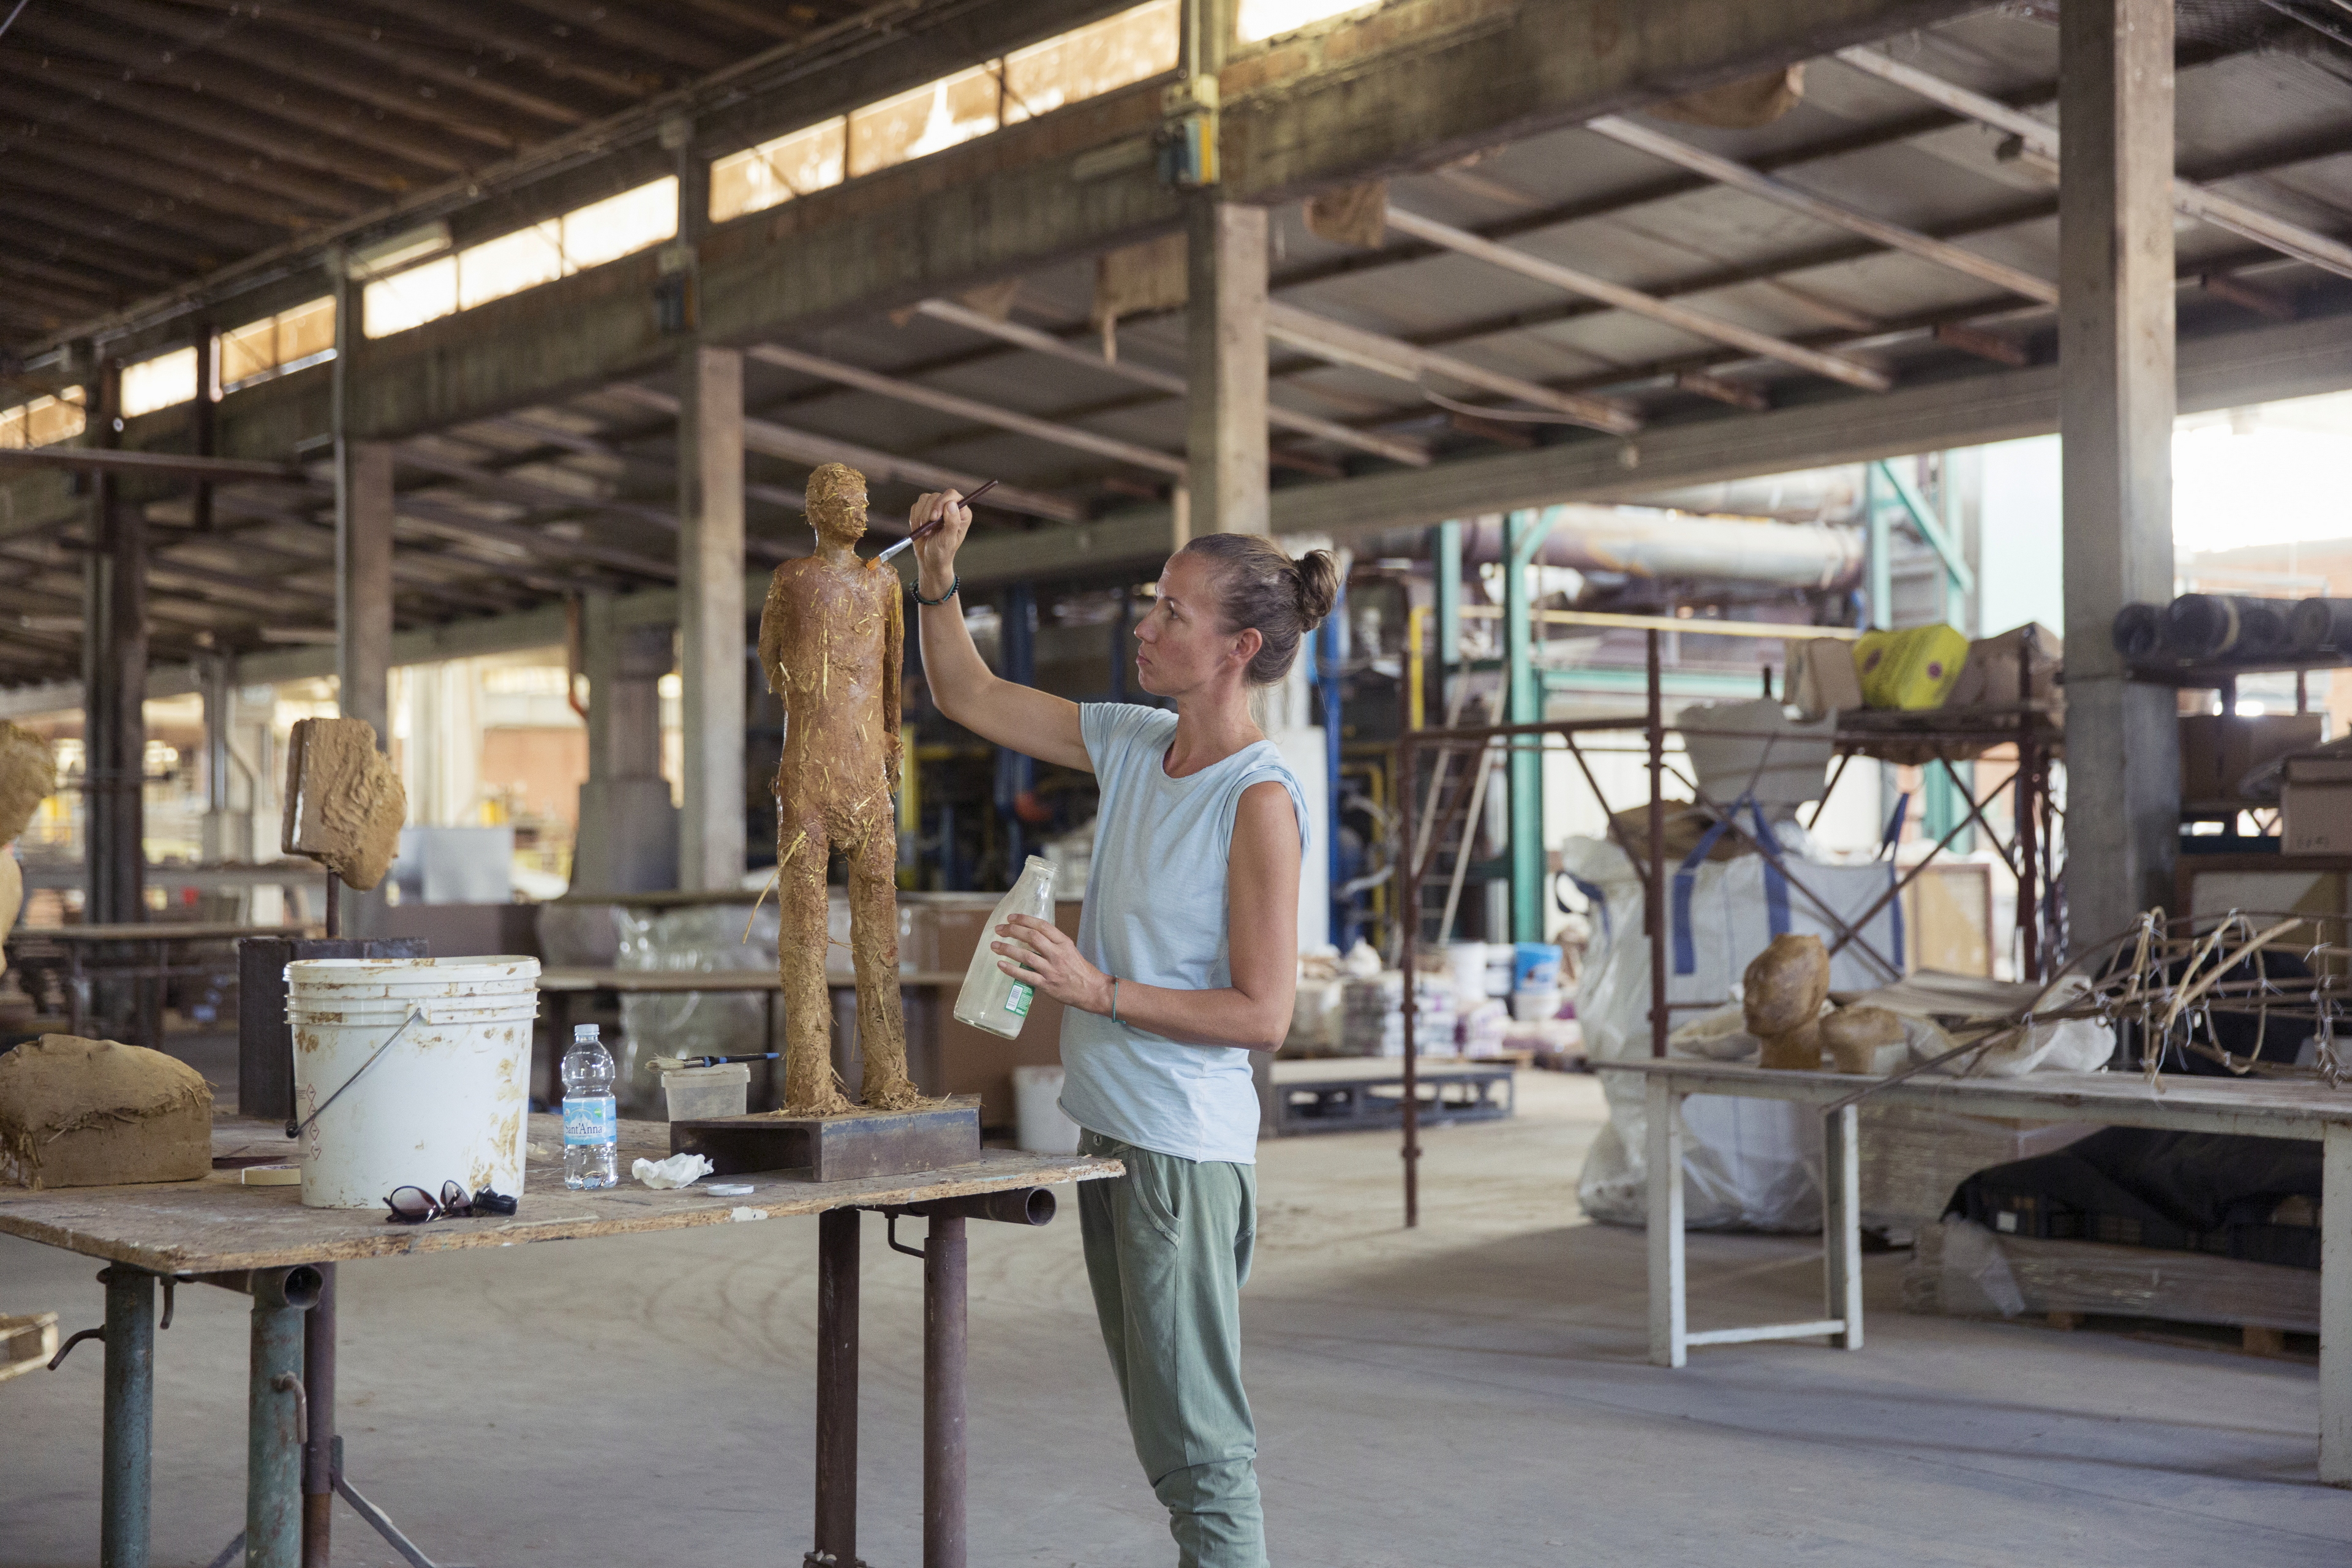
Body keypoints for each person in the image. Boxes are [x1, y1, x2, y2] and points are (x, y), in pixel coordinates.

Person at [909, 489, 1337, 1568]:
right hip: (1114, 1132)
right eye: (1154, 603)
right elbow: (968, 692)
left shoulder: (1257, 799)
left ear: (1239, 649)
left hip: (1179, 1153)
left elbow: (1263, 1014)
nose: (1144, 628)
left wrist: (1096, 989)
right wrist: (938, 576)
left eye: (1173, 613)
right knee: (1168, 1436)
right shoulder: (1137, 742)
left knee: (1199, 1450)